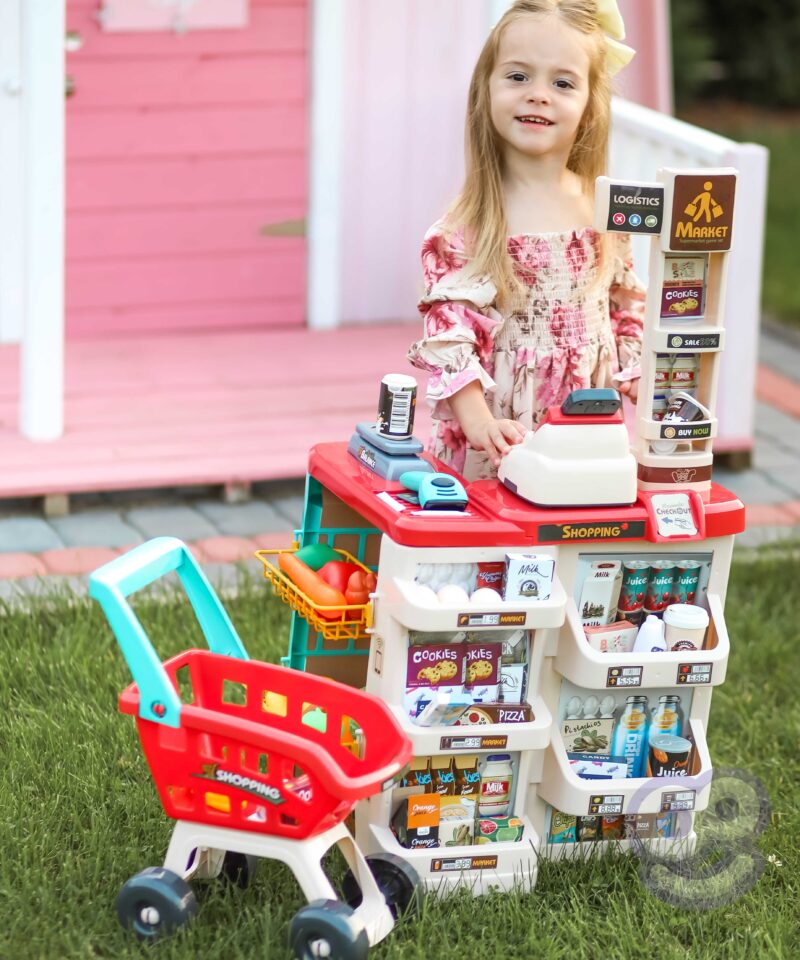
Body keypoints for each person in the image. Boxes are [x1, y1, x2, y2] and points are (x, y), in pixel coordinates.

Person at [408, 0, 646, 481]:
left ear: (589, 103)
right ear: (486, 89)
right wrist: (480, 423)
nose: (538, 95)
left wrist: (638, 369)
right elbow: (451, 334)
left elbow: (624, 304)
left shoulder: (603, 209)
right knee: (500, 551)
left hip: (585, 432)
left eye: (562, 83)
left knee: (579, 543)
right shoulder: (471, 225)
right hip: (500, 438)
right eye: (518, 77)